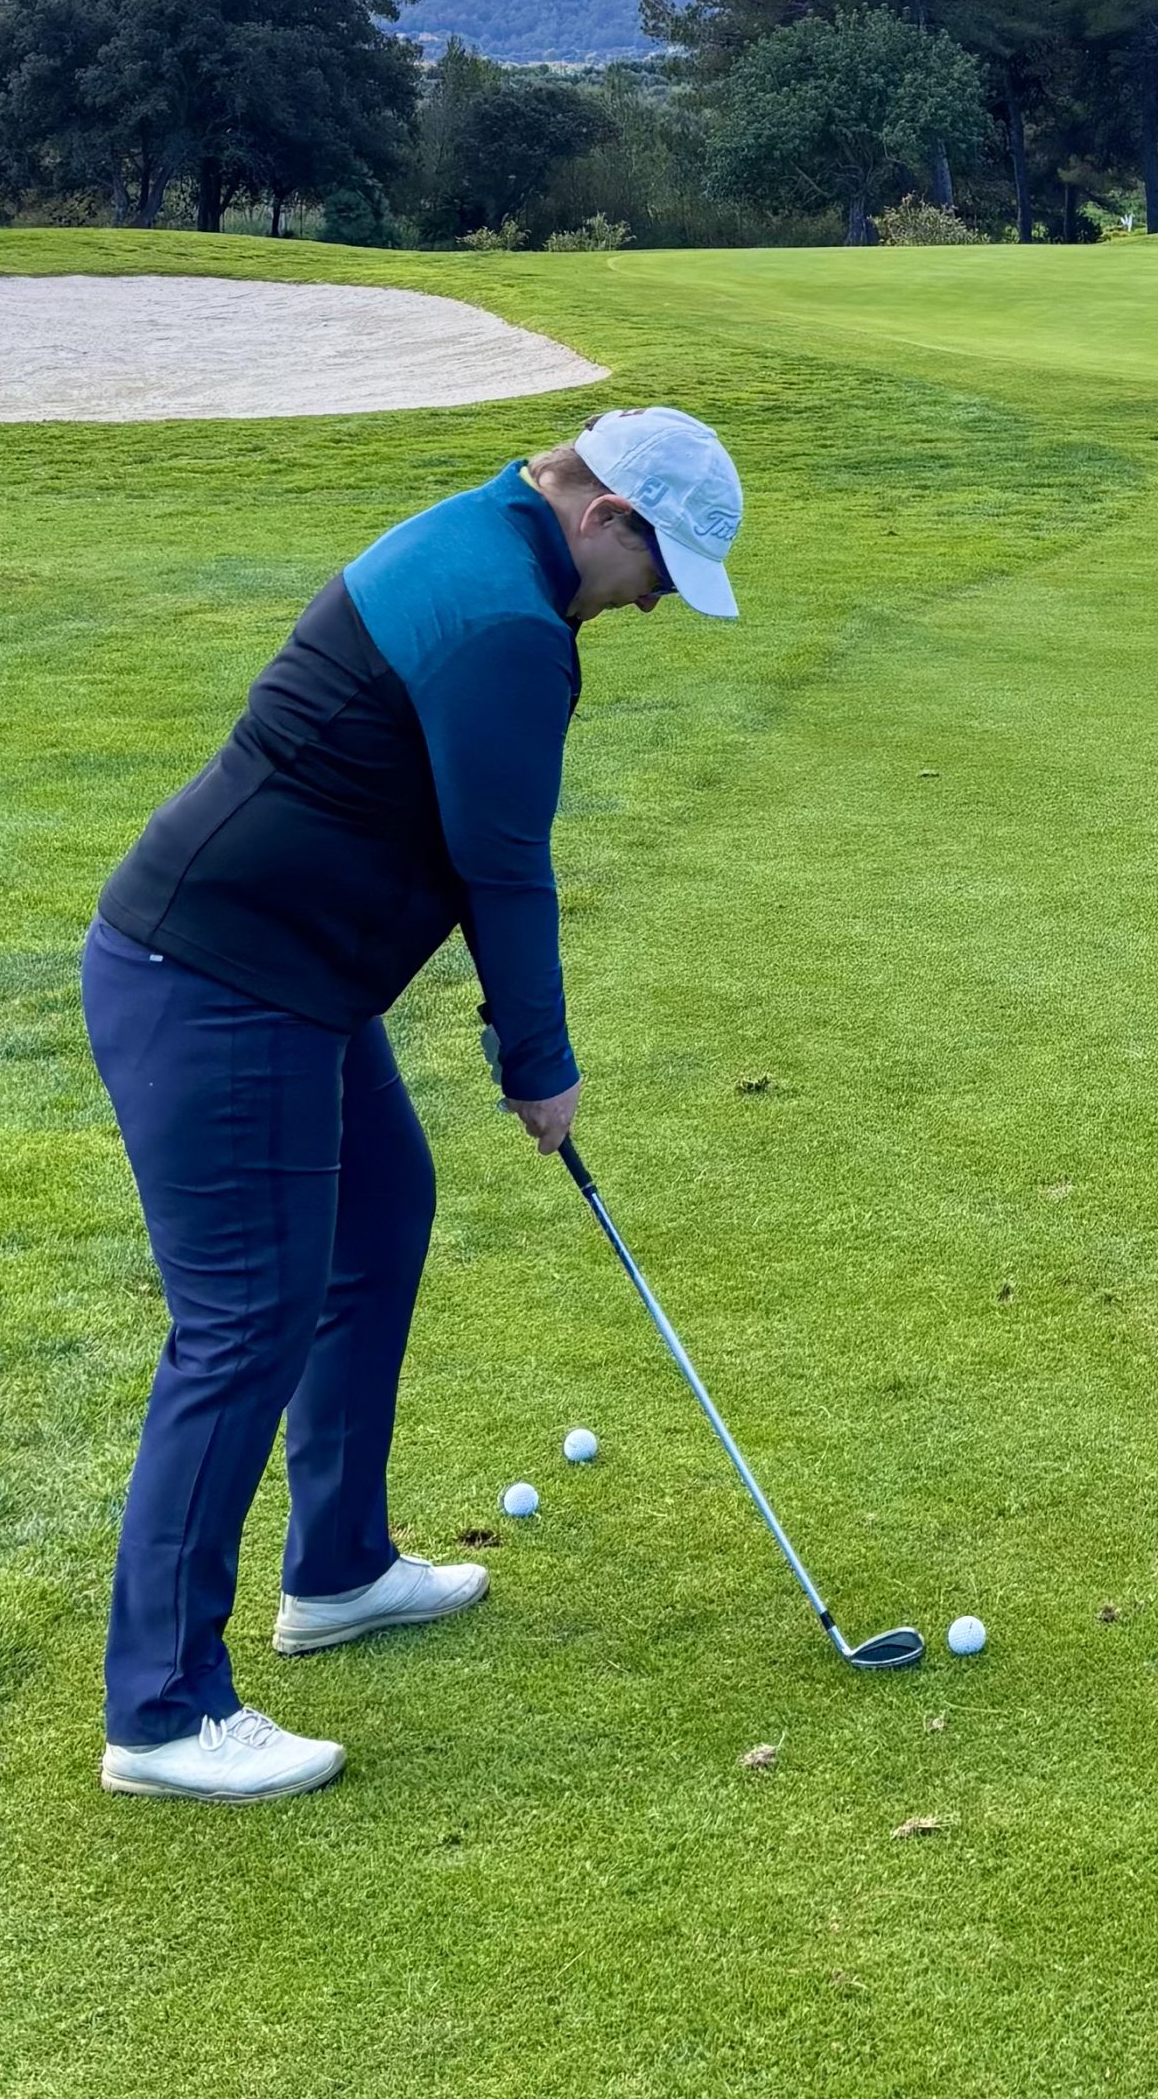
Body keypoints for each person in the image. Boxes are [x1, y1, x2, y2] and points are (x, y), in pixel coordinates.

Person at [82, 405, 745, 1800]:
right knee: (244, 1321)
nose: (653, 606)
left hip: (289, 979)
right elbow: (503, 864)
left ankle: (336, 1569)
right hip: (217, 977)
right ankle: (161, 1711)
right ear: (606, 515)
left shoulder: (482, 534)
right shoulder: (509, 620)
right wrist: (538, 1061)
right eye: (661, 573)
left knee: (381, 1220)